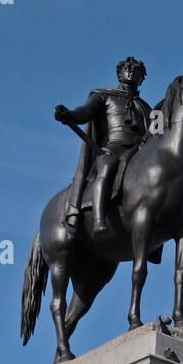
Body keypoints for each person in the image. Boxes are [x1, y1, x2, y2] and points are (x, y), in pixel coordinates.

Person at [55, 56, 152, 235]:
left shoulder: (146, 108)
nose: (131, 71)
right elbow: (85, 112)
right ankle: (98, 220)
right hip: (114, 147)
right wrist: (70, 115)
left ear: (142, 78)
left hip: (139, 152)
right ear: (119, 74)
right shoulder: (104, 95)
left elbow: (159, 132)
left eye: (136, 70)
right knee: (106, 167)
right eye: (126, 68)